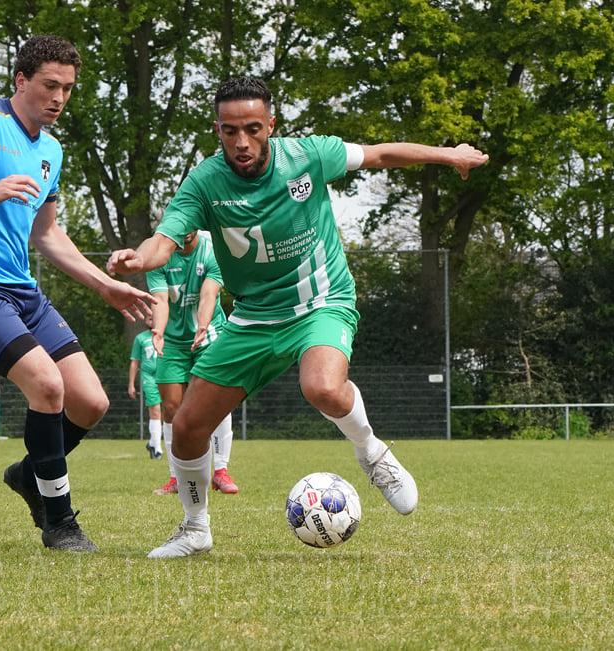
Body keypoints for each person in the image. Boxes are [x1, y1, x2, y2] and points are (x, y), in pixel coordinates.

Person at [108, 76, 489, 558]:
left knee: (322, 387)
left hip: (321, 302)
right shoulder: (204, 181)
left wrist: (449, 154)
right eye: (229, 131)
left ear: (271, 124)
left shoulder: (309, 155)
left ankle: (372, 453)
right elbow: (163, 242)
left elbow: (379, 155)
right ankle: (195, 529)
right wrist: (138, 261)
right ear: (218, 130)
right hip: (252, 317)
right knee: (185, 429)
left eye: (252, 128)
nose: (241, 142)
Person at [0, 34, 153, 552]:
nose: (59, 97)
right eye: (49, 85)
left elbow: (47, 234)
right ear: (21, 81)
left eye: (67, 88)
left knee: (90, 402)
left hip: (21, 290)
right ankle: (59, 521)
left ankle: (27, 472)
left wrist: (105, 282)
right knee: (47, 385)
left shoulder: (51, 149)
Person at [147, 230, 237, 496]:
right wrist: (159, 331)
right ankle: (177, 478)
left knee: (217, 401)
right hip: (172, 341)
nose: (183, 232)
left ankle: (220, 471)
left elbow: (209, 294)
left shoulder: (213, 248)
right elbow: (161, 300)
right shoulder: (158, 253)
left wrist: (203, 325)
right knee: (171, 407)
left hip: (208, 334)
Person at [128, 317, 163, 460]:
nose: (150, 319)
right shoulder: (140, 338)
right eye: (148, 317)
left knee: (165, 412)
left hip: (165, 376)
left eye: (153, 316)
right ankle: (157, 448)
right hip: (148, 377)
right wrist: (131, 384)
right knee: (154, 410)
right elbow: (135, 362)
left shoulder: (165, 335)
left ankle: (153, 441)